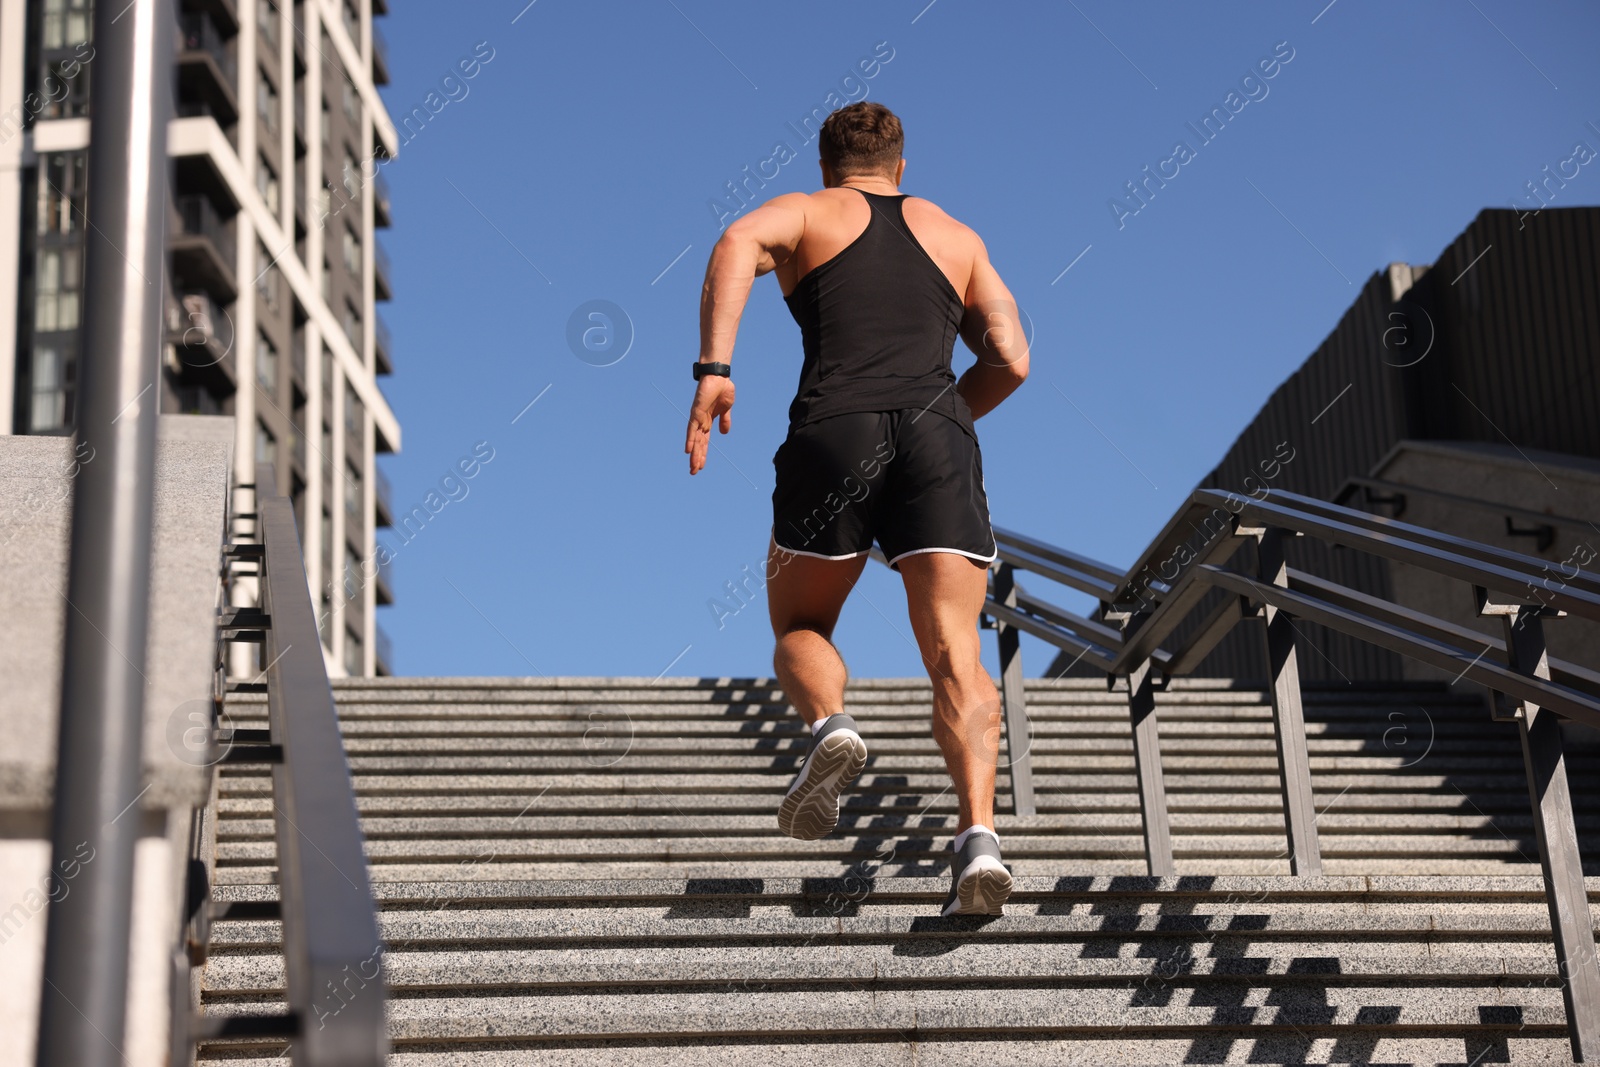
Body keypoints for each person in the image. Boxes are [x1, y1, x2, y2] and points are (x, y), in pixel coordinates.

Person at [682, 101, 1029, 916]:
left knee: (801, 627)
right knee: (956, 654)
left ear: (825, 164)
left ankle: (831, 725)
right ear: (900, 167)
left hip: (834, 430)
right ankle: (978, 836)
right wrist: (938, 425)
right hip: (938, 436)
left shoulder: (808, 213)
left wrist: (713, 366)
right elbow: (1010, 357)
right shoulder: (957, 235)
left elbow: (736, 240)